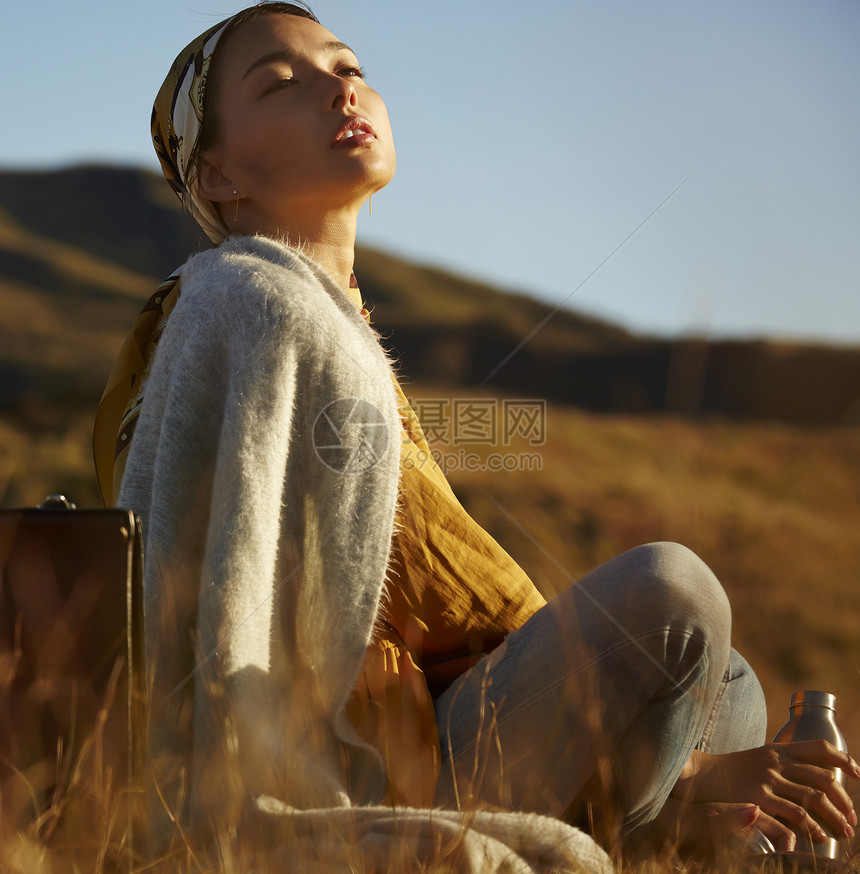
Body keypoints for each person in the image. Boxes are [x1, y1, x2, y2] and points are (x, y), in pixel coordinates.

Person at [93, 1, 859, 866]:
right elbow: (259, 616)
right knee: (675, 595)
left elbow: (436, 596)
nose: (338, 91)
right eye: (280, 84)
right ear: (220, 176)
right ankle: (669, 812)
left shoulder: (342, 331)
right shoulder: (250, 305)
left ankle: (662, 812)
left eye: (346, 67)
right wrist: (685, 767)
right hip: (391, 755)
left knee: (730, 679)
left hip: (463, 710)